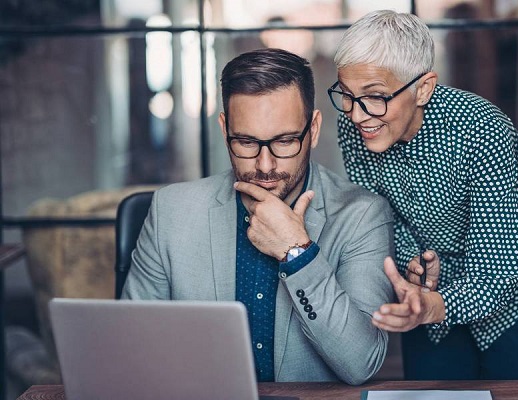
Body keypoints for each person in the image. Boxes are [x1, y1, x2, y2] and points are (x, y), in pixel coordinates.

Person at [122, 48, 414, 385]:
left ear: (314, 129)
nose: (264, 165)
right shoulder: (171, 211)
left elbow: (361, 363)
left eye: (285, 141)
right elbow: (133, 351)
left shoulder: (362, 215)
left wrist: (297, 253)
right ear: (224, 129)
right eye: (245, 142)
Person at [329, 10, 518, 380]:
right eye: (346, 95)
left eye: (375, 97)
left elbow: (497, 273)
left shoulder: (482, 132)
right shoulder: (357, 127)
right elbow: (381, 214)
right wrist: (415, 263)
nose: (357, 115)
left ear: (423, 88)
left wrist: (433, 307)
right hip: (430, 290)